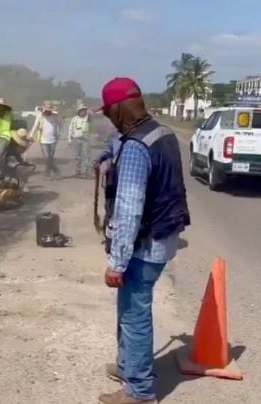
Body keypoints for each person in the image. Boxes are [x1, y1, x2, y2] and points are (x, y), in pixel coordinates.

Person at [98, 77, 191, 404]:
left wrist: (117, 263)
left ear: (120, 109)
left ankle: (139, 391)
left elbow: (128, 210)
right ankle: (128, 366)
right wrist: (108, 155)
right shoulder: (160, 133)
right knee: (128, 309)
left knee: (135, 314)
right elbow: (123, 145)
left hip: (143, 245)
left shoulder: (136, 147)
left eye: (109, 112)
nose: (109, 118)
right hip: (163, 237)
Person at [30, 102, 61, 179]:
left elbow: (60, 124)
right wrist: (31, 135)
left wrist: (58, 133)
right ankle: (54, 172)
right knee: (47, 157)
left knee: (50, 157)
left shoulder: (54, 116)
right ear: (44, 110)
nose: (48, 112)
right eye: (46, 110)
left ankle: (48, 174)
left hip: (53, 140)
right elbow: (35, 126)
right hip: (43, 140)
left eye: (49, 110)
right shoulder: (40, 116)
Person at [68, 104, 92, 178]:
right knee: (77, 156)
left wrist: (89, 112)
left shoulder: (87, 118)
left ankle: (88, 172)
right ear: (78, 111)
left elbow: (91, 115)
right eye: (81, 110)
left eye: (84, 110)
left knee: (86, 155)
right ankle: (78, 171)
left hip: (85, 139)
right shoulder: (74, 119)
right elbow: (70, 129)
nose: (83, 112)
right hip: (76, 138)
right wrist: (69, 139)